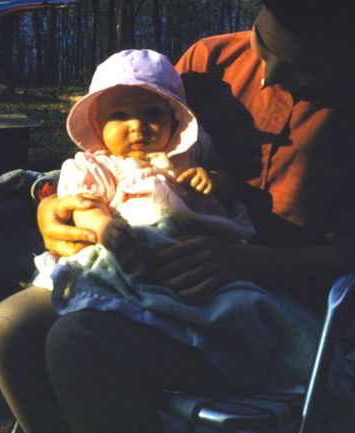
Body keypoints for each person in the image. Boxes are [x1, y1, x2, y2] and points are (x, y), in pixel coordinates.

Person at [0, 1, 355, 432]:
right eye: (262, 45)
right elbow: (118, 148)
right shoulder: (208, 62)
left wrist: (247, 261)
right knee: (7, 329)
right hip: (150, 270)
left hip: (267, 310)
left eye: (302, 68)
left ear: (353, 45)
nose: (269, 74)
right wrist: (54, 209)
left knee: (78, 342)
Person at [32, 48, 254, 287]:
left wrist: (213, 179)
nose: (138, 125)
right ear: (98, 125)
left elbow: (227, 184)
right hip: (126, 249)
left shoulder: (192, 150)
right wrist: (103, 227)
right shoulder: (95, 166)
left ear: (175, 117)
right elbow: (85, 206)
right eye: (119, 115)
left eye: (153, 113)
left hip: (190, 255)